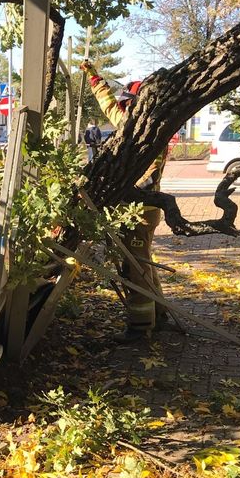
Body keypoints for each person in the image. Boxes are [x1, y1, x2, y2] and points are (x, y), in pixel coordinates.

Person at [80, 61, 168, 343]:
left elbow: (148, 179)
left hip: (140, 211)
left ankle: (140, 328)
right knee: (144, 264)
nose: (126, 109)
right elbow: (111, 109)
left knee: (136, 268)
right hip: (143, 212)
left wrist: (121, 193)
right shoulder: (138, 127)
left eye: (129, 104)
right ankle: (160, 315)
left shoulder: (152, 133)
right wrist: (94, 79)